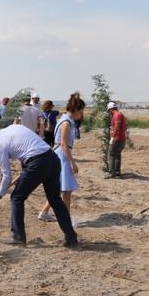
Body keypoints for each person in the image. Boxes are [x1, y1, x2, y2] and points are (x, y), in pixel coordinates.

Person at [0, 123, 78, 248]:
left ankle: (18, 237)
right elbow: (26, 144)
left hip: (37, 163)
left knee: (16, 197)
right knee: (55, 200)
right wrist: (26, 167)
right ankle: (71, 237)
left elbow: (6, 175)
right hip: (52, 159)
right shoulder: (13, 128)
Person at [38, 92, 84, 223]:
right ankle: (65, 218)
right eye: (81, 111)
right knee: (66, 190)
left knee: (58, 188)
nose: (81, 115)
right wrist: (73, 163)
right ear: (76, 110)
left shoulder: (64, 119)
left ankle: (44, 212)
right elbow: (64, 144)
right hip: (62, 156)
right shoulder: (66, 122)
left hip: (60, 154)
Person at [106, 102, 127, 178]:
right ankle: (117, 173)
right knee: (117, 155)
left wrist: (112, 137)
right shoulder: (121, 114)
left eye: (109, 111)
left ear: (111, 109)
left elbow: (117, 127)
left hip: (117, 139)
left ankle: (111, 172)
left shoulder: (117, 115)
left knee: (111, 155)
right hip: (122, 138)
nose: (109, 112)